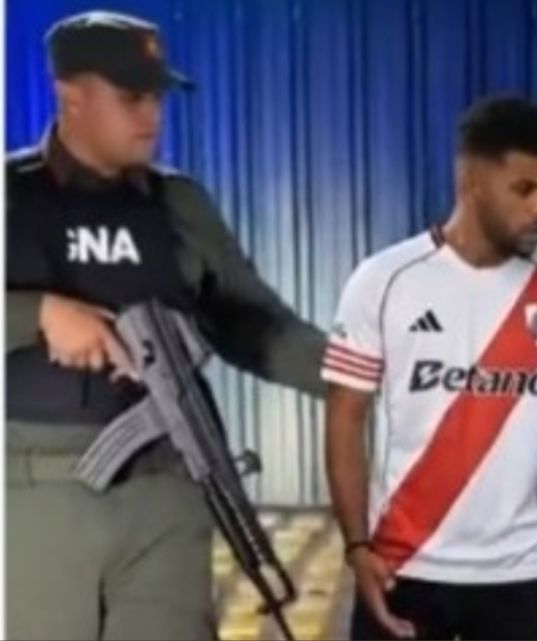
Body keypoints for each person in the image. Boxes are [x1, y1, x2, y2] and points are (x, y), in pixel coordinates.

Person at [5, 11, 327, 640]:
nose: (151, 114)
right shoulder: (10, 194)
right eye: (131, 97)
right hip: (33, 498)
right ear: (71, 95)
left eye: (156, 96)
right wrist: (38, 313)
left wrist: (356, 375)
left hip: (167, 493)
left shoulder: (178, 201)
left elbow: (253, 322)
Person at [323, 95, 537, 641]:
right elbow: (344, 416)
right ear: (470, 181)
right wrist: (357, 547)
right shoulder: (383, 281)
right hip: (403, 567)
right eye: (524, 189)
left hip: (520, 574)